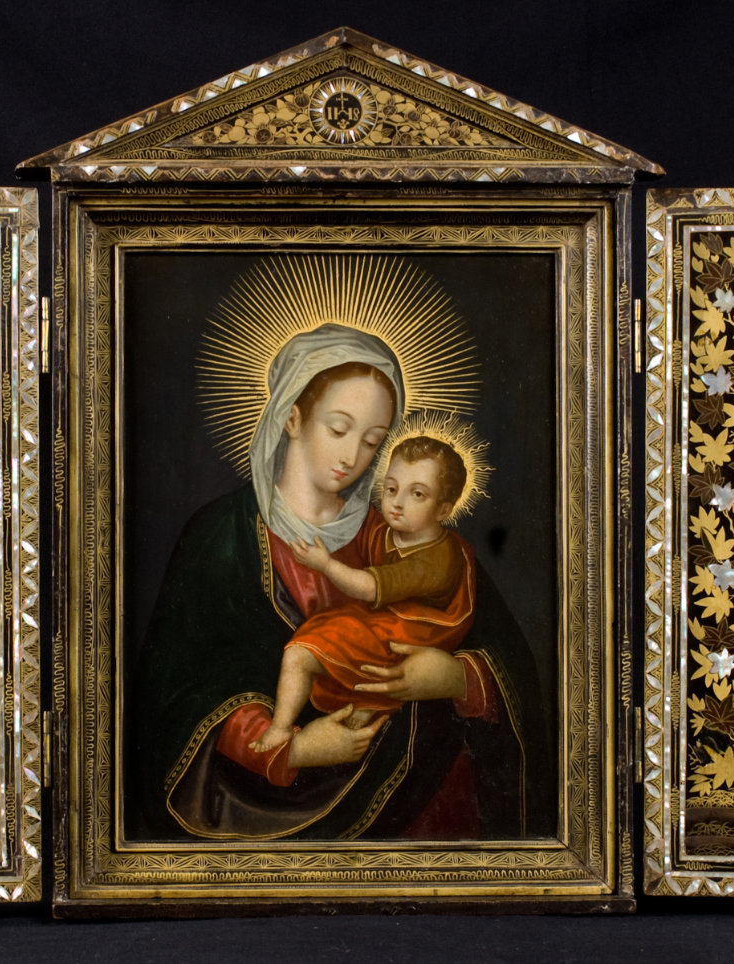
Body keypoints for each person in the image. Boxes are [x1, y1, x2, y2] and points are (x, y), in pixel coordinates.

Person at [128, 323, 551, 841]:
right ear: (292, 415)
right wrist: (294, 748)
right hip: (268, 795)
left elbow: (508, 657)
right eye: (338, 428)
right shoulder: (220, 536)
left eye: (373, 440)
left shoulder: (406, 537)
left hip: (421, 793)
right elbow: (175, 695)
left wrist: (457, 679)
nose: (353, 455)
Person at [250, 435, 477, 753]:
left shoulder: (436, 558)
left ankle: (279, 729)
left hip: (410, 634)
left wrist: (325, 565)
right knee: (325, 637)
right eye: (392, 489)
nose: (397, 503)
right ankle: (370, 700)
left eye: (417, 494)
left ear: (443, 509)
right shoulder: (389, 531)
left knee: (300, 652)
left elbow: (369, 587)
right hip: (387, 625)